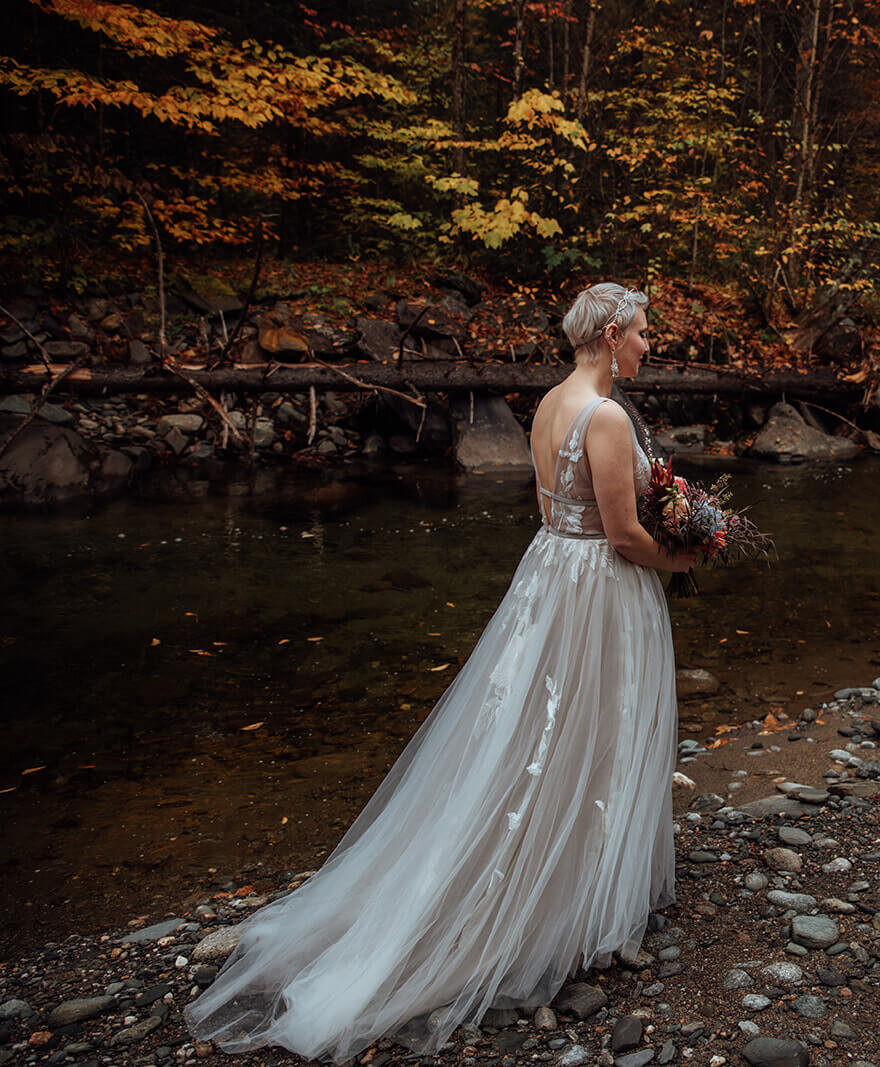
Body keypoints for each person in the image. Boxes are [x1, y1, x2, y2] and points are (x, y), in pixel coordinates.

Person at [186, 283, 695, 1061]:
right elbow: (624, 533)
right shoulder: (609, 415)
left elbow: (548, 502)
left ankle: (567, 869)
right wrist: (683, 554)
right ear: (615, 332)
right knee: (598, 723)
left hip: (548, 574)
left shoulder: (552, 401)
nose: (649, 346)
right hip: (596, 586)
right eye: (645, 333)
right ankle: (569, 893)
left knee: (532, 725)